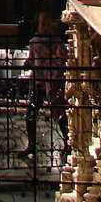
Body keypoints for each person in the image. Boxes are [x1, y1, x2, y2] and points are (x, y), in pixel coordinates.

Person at [19, 11, 69, 159]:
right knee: (31, 114)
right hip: (40, 81)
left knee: (59, 114)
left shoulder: (56, 42)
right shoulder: (36, 41)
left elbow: (62, 60)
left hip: (53, 81)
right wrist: (28, 63)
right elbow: (32, 59)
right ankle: (32, 145)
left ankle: (68, 143)